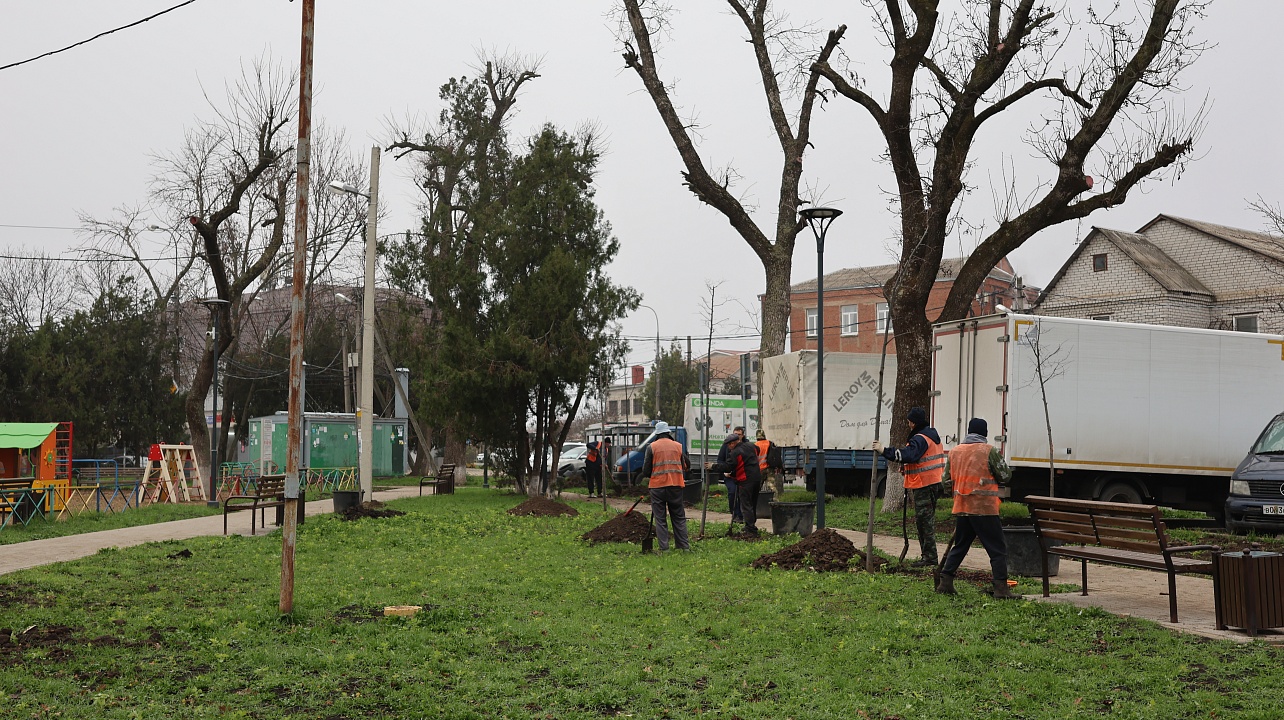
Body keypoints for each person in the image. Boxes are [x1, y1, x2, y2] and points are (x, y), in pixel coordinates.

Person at [936, 417, 1015, 599]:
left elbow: (945, 480)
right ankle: (1001, 588)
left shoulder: (955, 451)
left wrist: (955, 492)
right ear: (984, 433)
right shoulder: (989, 451)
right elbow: (1005, 476)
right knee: (997, 548)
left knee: (961, 545)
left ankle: (945, 581)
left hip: (963, 507)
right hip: (984, 508)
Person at [872, 407, 945, 567]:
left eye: (909, 421)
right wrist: (908, 468)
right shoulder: (930, 434)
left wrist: (884, 450)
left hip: (924, 484)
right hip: (931, 482)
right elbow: (921, 459)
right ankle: (928, 556)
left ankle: (930, 558)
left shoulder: (920, 438)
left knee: (924, 521)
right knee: (925, 520)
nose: (908, 424)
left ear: (913, 422)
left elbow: (908, 454)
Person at [640, 422, 691, 551]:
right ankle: (683, 546)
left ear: (657, 434)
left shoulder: (652, 447)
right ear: (668, 433)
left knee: (660, 519)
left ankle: (664, 548)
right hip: (675, 486)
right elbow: (687, 465)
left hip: (658, 487)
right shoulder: (678, 446)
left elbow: (646, 471)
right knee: (679, 517)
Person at [708, 430, 763, 535]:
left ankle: (750, 529)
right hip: (756, 478)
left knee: (746, 504)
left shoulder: (735, 452)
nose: (728, 447)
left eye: (729, 445)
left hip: (745, 480)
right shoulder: (751, 446)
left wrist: (713, 466)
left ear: (733, 443)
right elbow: (758, 450)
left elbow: (728, 466)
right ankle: (751, 525)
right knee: (753, 503)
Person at [716, 426, 747, 521]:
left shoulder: (746, 446)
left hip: (742, 476)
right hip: (729, 476)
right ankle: (735, 514)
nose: (736, 436)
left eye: (738, 435)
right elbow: (720, 460)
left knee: (743, 495)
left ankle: (743, 515)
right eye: (735, 434)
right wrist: (725, 470)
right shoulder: (726, 446)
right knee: (732, 492)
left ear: (743, 436)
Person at [755, 429, 784, 498]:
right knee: (772, 486)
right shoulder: (769, 443)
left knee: (756, 488)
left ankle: (756, 502)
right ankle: (775, 501)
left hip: (759, 469)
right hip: (769, 468)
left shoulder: (755, 445)